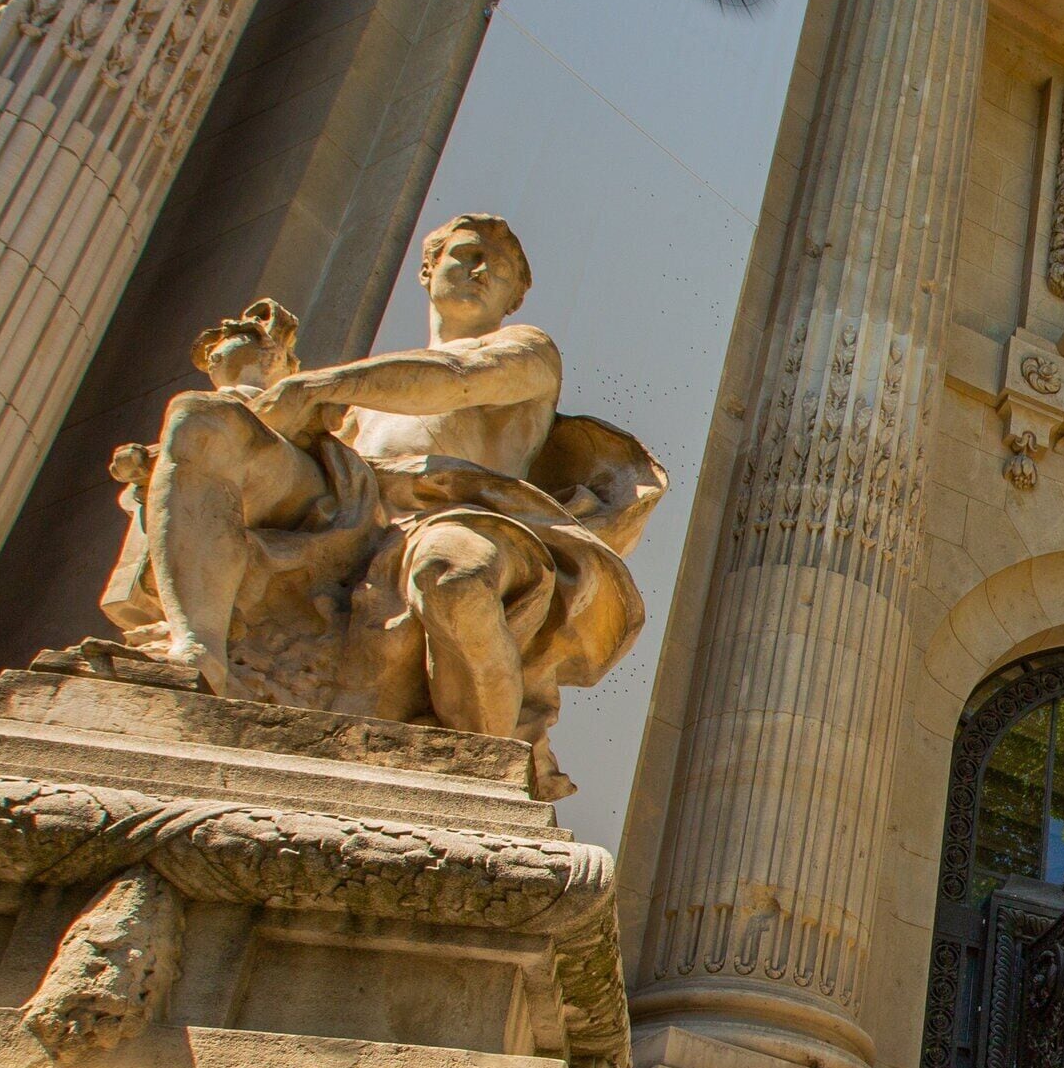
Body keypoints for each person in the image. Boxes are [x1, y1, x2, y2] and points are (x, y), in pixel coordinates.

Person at [102, 215, 662, 796]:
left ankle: (487, 768)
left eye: (499, 269)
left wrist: (318, 385)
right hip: (353, 499)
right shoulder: (361, 397)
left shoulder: (525, 350)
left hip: (457, 511)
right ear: (428, 269)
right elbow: (283, 442)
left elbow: (457, 378)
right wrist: (238, 401)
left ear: (515, 298)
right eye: (465, 255)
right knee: (202, 422)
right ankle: (196, 655)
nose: (479, 270)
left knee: (454, 573)